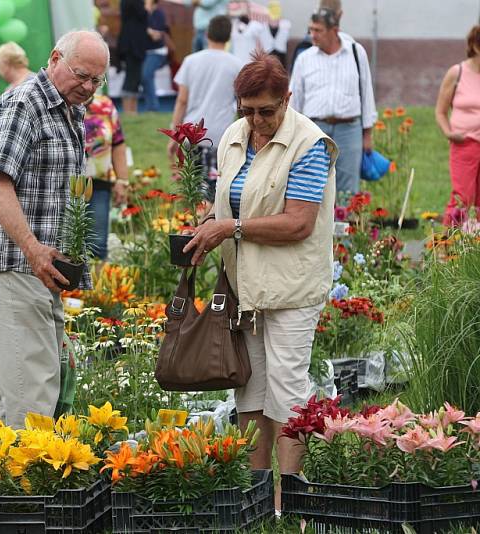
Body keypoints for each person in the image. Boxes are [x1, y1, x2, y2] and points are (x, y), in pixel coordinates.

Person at [183, 52, 337, 501]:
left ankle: (290, 498)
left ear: (287, 99)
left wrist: (229, 227)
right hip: (245, 284)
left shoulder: (310, 144)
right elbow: (236, 198)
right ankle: (255, 495)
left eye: (266, 110)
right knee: (248, 387)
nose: (256, 120)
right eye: (246, 109)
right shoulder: (235, 134)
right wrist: (209, 219)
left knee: (287, 390)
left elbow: (298, 223)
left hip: (291, 287)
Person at [0, 30, 109, 429]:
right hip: (14, 262)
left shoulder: (69, 108)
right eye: (81, 75)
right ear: (55, 57)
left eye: (97, 80)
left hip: (43, 270)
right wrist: (32, 248)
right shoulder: (23, 103)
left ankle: (20, 482)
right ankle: (23, 487)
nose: (88, 86)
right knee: (30, 396)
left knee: (38, 386)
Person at [290, 7, 376, 198]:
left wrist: (367, 134)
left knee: (348, 188)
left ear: (334, 31)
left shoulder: (356, 52)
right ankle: (319, 227)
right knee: (314, 184)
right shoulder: (304, 58)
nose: (313, 35)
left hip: (349, 129)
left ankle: (347, 226)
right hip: (314, 129)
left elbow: (366, 92)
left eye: (318, 30)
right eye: (311, 29)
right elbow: (295, 98)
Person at [169, 15, 244, 199]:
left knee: (193, 190)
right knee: (217, 191)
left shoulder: (191, 61)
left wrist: (174, 133)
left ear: (207, 34)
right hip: (222, 135)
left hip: (192, 132)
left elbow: (182, 100)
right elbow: (241, 103)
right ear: (228, 37)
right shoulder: (236, 65)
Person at [435, 25, 480, 226]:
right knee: (462, 197)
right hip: (464, 144)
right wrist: (449, 133)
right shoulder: (457, 73)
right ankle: (447, 249)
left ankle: (473, 249)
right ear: (475, 47)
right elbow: (440, 111)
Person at [84, 93, 129, 259]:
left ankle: (99, 284)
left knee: (97, 246)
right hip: (63, 186)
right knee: (64, 246)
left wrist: (122, 180)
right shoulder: (60, 101)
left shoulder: (105, 105)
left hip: (99, 184)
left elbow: (118, 143)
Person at [117, 0, 149, 114]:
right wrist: (148, 5)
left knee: (135, 78)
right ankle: (129, 111)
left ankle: (132, 111)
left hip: (131, 43)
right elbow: (143, 14)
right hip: (133, 45)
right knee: (131, 78)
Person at [141, 0, 170, 113]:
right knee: (146, 77)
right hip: (146, 52)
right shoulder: (143, 13)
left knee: (146, 75)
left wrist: (147, 29)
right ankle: (150, 106)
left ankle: (153, 107)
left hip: (157, 52)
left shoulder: (159, 14)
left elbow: (156, 36)